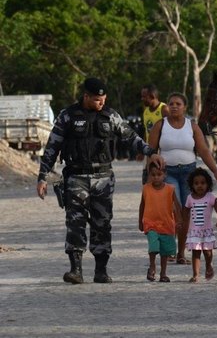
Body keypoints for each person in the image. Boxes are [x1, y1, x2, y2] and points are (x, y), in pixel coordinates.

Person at [36, 77, 164, 284]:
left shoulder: (110, 116)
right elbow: (52, 147)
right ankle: (76, 269)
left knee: (102, 223)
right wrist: (42, 177)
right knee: (75, 222)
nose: (101, 103)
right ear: (86, 96)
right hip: (76, 176)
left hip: (103, 178)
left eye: (104, 99)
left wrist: (151, 152)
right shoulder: (67, 116)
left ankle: (101, 270)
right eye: (97, 99)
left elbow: (131, 137)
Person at [147, 92, 217, 266]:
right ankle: (169, 250)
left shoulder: (192, 126)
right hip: (167, 173)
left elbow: (204, 151)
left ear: (185, 107)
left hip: (189, 173)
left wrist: (216, 171)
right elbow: (151, 152)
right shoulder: (160, 125)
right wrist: (149, 178)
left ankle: (181, 253)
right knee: (173, 212)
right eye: (171, 103)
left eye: (178, 104)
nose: (174, 106)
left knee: (185, 212)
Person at [139, 162, 182, 282]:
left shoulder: (170, 189)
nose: (156, 177)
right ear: (149, 175)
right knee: (153, 246)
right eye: (153, 174)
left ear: (164, 175)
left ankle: (163, 273)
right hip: (150, 223)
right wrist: (140, 221)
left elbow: (177, 206)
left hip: (166, 224)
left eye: (159, 174)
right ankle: (152, 266)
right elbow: (142, 206)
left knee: (165, 251)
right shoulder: (146, 189)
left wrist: (179, 220)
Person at [183, 167, 217, 283]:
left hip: (206, 231)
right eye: (196, 183)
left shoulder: (211, 197)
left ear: (208, 184)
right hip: (195, 232)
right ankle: (195, 275)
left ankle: (209, 265)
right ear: (192, 185)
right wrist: (181, 222)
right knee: (196, 253)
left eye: (203, 183)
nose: (199, 186)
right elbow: (185, 211)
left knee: (207, 251)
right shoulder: (190, 198)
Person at [140, 84, 169, 184]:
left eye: (144, 96)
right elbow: (146, 131)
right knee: (147, 179)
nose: (142, 99)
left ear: (152, 96)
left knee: (161, 179)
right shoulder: (146, 111)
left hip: (162, 151)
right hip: (149, 150)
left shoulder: (164, 109)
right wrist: (141, 149)